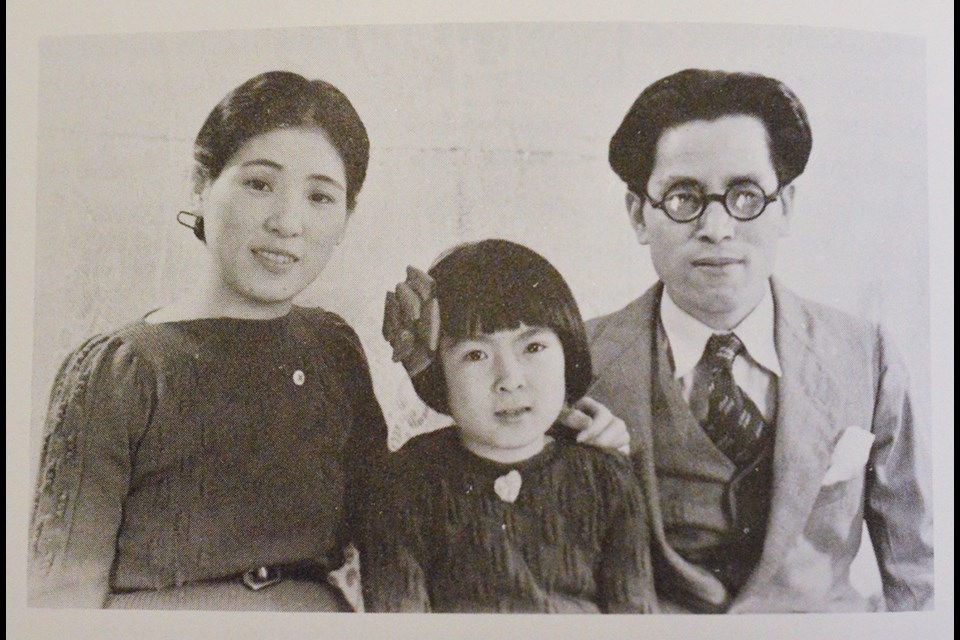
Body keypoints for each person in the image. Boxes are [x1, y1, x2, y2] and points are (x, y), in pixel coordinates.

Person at [28, 71, 629, 611]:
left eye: (320, 196)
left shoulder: (332, 347)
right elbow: (59, 594)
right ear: (199, 185)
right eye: (260, 184)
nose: (288, 221)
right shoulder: (121, 368)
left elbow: (392, 504)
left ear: (347, 216)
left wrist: (546, 433)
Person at [588, 68, 933, 612]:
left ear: (786, 207)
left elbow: (918, 570)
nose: (719, 229)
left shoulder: (867, 356)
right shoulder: (576, 361)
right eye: (683, 198)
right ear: (638, 214)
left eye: (746, 195)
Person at [366, 240, 656, 613]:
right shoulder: (404, 483)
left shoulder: (607, 478)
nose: (509, 379)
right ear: (439, 375)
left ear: (568, 352)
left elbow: (635, 615)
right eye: (476, 354)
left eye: (533, 347)